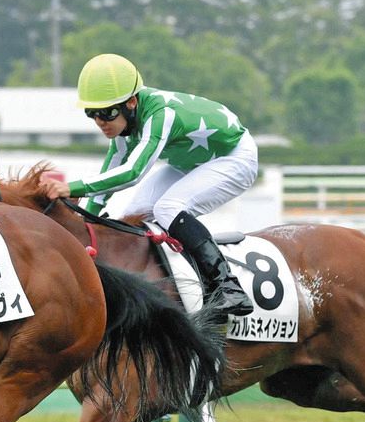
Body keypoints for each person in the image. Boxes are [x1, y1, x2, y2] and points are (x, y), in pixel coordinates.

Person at [39, 53, 257, 319]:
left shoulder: (159, 115)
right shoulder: (122, 127)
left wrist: (71, 188)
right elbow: (108, 178)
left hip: (234, 157)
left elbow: (132, 173)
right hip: (192, 161)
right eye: (92, 114)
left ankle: (228, 288)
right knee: (133, 214)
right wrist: (86, 222)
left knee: (168, 208)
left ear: (132, 102)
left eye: (107, 113)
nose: (101, 122)